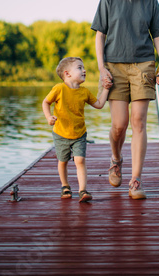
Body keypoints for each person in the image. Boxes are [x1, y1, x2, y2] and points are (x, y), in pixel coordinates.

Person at [91, 0, 159, 200]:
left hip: (143, 65)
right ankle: (116, 159)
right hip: (114, 66)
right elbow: (100, 36)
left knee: (138, 122)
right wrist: (101, 68)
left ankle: (135, 181)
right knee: (119, 125)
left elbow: (158, 36)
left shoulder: (151, 1)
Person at [42, 57, 110, 202]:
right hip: (61, 133)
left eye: (83, 67)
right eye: (79, 68)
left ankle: (83, 190)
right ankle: (65, 186)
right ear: (67, 73)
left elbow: (99, 104)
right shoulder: (59, 89)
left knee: (80, 160)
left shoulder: (84, 92)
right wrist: (48, 117)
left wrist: (105, 89)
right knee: (63, 161)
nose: (84, 70)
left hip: (79, 133)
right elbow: (46, 102)